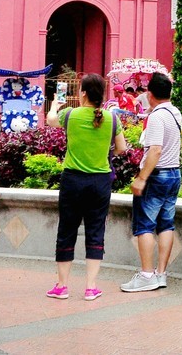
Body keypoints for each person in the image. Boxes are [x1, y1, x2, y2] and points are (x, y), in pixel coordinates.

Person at [45, 74, 126, 301]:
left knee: (67, 230)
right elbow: (122, 147)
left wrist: (54, 105)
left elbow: (50, 120)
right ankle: (91, 287)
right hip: (100, 183)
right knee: (95, 231)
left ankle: (62, 286)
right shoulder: (111, 118)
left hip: (73, 181)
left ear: (82, 93)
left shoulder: (70, 115)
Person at [121, 73, 182, 293]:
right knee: (166, 224)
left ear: (150, 93)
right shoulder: (175, 112)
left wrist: (141, 178)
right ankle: (160, 273)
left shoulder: (157, 116)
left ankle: (146, 275)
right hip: (174, 173)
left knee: (144, 225)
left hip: (156, 175)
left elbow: (155, 149)